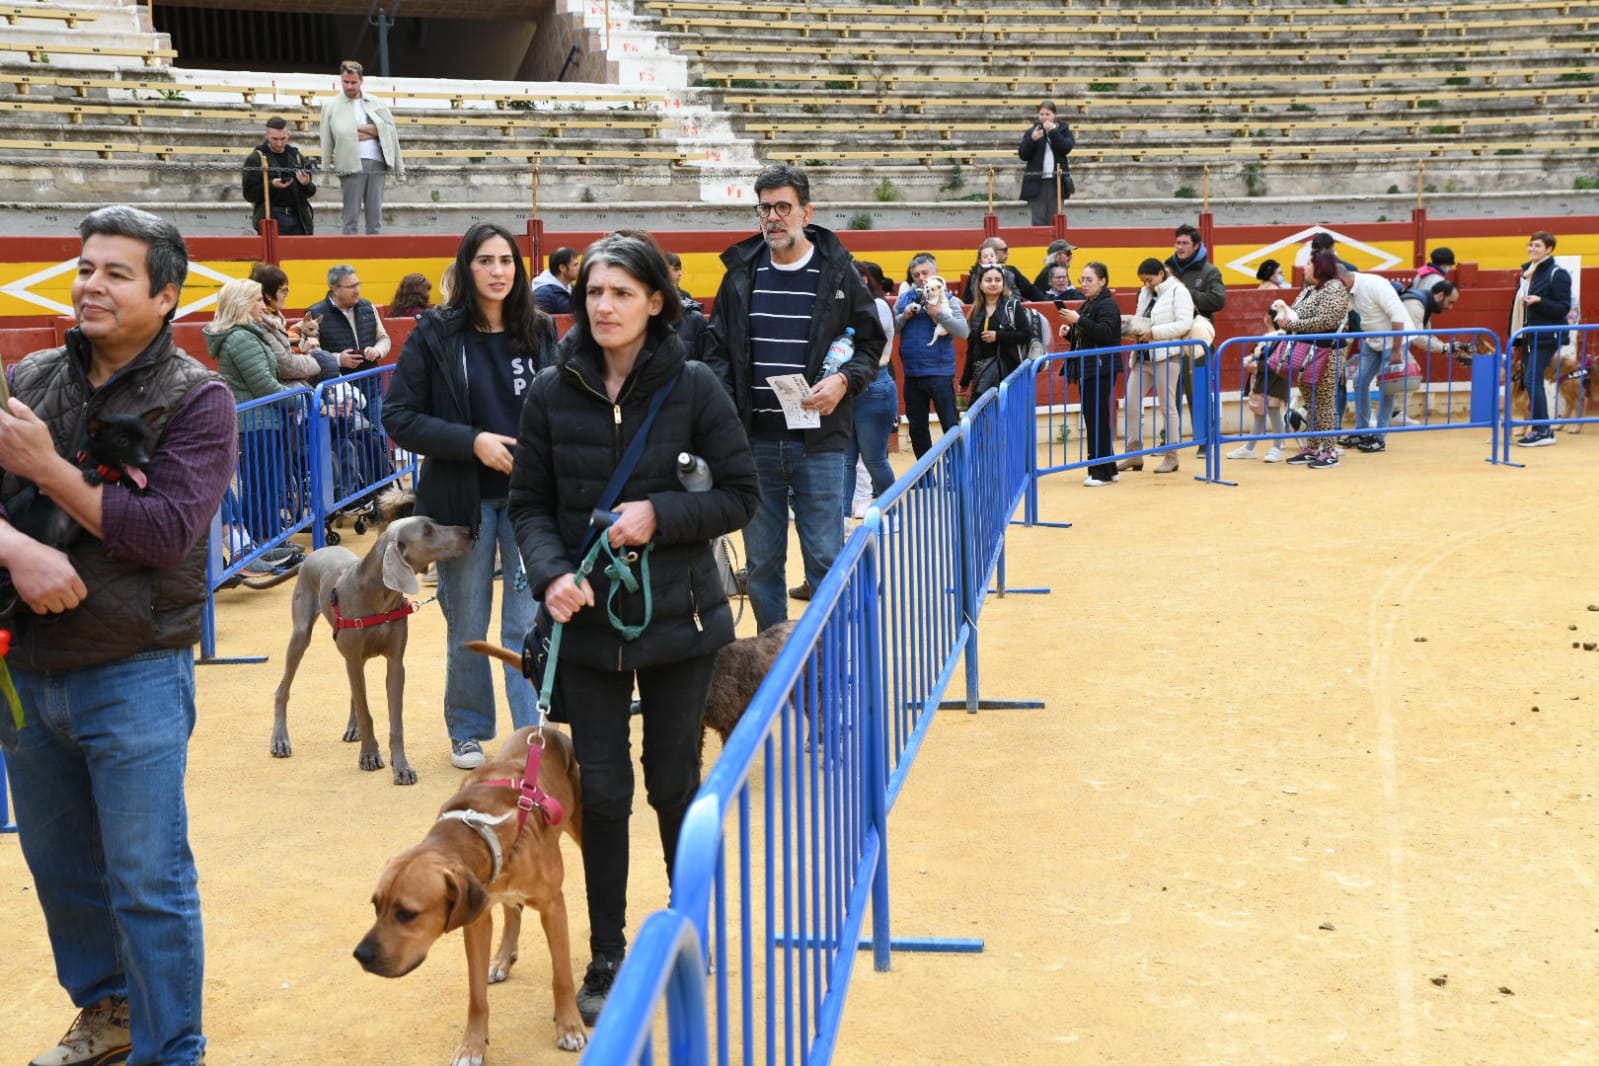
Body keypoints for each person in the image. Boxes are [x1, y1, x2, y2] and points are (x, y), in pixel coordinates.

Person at [0, 205, 236, 1066]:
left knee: (148, 882)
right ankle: (107, 1017)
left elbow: (164, 532)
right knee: (63, 877)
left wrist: (46, 472)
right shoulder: (27, 378)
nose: (90, 285)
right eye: (85, 267)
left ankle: (171, 1050)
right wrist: (17, 546)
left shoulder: (200, 399)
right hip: (25, 666)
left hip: (134, 668)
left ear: (166, 296)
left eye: (115, 273)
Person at [507, 234, 759, 1028]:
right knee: (605, 793)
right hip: (588, 630)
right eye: (594, 293)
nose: (605, 306)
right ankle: (608, 951)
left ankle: (690, 925)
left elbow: (741, 495)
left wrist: (662, 515)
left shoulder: (695, 386)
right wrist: (552, 576)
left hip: (681, 625)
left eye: (622, 292)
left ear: (656, 300)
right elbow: (528, 505)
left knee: (675, 782)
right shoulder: (550, 390)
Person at [383, 222, 558, 767]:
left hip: (530, 499)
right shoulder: (435, 331)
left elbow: (564, 406)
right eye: (485, 261)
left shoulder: (541, 328)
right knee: (468, 623)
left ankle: (531, 735)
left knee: (525, 623)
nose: (498, 271)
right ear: (466, 267)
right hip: (461, 504)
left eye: (506, 260)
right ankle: (467, 729)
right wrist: (473, 441)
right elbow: (399, 417)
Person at [701, 163, 885, 628]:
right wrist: (724, 422)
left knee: (824, 558)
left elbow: (869, 344)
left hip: (819, 443)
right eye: (765, 208)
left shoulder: (839, 273)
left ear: (807, 211)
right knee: (762, 565)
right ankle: (773, 662)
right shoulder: (740, 273)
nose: (773, 217)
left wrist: (844, 381)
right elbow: (717, 352)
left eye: (784, 207)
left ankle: (829, 658)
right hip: (754, 443)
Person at [206, 277, 304, 561]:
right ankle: (264, 542)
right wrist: (301, 400)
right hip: (255, 421)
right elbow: (263, 383)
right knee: (262, 484)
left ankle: (269, 540)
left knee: (267, 483)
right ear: (243, 304)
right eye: (258, 300)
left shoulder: (246, 335)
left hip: (262, 419)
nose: (264, 305)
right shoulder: (241, 338)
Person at [1274, 248, 1351, 469]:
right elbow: (1298, 312)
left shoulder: (1334, 288)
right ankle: (1313, 446)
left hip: (1327, 351)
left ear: (1320, 267)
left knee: (1324, 400)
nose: (1305, 267)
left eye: (1309, 264)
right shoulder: (1311, 289)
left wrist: (1293, 325)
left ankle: (1328, 451)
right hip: (1309, 349)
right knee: (1311, 399)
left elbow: (1326, 321)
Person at [1119, 258, 1195, 475]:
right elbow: (1142, 318)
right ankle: (1133, 454)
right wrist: (1131, 329)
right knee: (1131, 403)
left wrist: (1155, 333)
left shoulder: (1178, 292)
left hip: (1166, 356)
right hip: (1143, 356)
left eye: (1149, 280)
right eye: (1144, 281)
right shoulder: (1145, 293)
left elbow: (1184, 323)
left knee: (1167, 406)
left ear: (1162, 274)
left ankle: (1172, 457)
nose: (1147, 284)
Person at [895, 252, 970, 459]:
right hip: (912, 373)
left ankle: (956, 473)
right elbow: (890, 328)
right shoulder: (904, 299)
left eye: (925, 272)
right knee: (917, 428)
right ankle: (925, 479)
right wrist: (905, 316)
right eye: (916, 274)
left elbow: (963, 331)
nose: (921, 277)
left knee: (949, 423)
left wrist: (939, 313)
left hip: (939, 372)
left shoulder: (949, 299)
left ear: (935, 273)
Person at [1056, 260, 1123, 486]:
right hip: (1094, 366)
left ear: (1102, 281)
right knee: (1096, 417)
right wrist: (1070, 331)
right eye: (1082, 280)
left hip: (1100, 366)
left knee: (1095, 417)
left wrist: (1078, 321)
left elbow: (1105, 333)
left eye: (1089, 280)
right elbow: (1090, 335)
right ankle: (1108, 468)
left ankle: (1100, 472)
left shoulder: (1107, 305)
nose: (1084, 284)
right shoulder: (1091, 304)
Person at [319, 59, 403, 235]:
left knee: (375, 219)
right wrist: (373, 130)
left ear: (361, 81)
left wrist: (355, 129)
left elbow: (389, 132)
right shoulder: (331, 106)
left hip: (377, 162)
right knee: (350, 219)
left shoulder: (377, 103)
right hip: (349, 164)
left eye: (353, 82)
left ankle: (374, 256)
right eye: (346, 82)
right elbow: (330, 138)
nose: (349, 86)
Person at [1335, 263, 1410, 453]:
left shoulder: (1373, 285)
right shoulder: (1350, 289)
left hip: (1393, 340)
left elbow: (1398, 315)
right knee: (1360, 381)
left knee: (1387, 387)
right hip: (1373, 338)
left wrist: (1396, 349)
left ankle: (1379, 437)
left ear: (1342, 282)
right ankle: (1362, 431)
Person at [1510, 230, 1573, 448]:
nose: (1532, 249)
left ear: (1548, 249)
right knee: (1531, 381)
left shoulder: (1557, 273)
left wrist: (1539, 301)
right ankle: (1541, 428)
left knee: (1531, 380)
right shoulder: (1530, 272)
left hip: (1547, 336)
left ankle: (1543, 429)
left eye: (1537, 246)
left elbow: (1563, 307)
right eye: (1530, 245)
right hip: (1530, 335)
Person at [846, 260, 898, 520]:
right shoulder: (853, 305)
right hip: (851, 386)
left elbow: (863, 346)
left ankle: (892, 513)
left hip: (872, 383)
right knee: (847, 460)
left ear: (863, 280)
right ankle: (843, 518)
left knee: (874, 459)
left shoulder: (876, 305)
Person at [1166, 223, 1227, 445]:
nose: (1180, 247)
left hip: (1197, 336)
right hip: (1171, 337)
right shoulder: (1167, 269)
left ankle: (1204, 439)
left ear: (1196, 245)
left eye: (1185, 243)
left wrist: (1184, 295)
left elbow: (1219, 300)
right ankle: (1170, 440)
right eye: (1178, 243)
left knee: (1197, 390)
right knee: (1169, 391)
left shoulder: (1209, 271)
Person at [249, 261, 328, 383]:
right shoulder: (262, 324)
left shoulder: (273, 320)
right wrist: (319, 362)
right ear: (269, 294)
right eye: (283, 291)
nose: (286, 295)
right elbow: (286, 366)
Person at [961, 263, 1029, 400]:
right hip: (982, 372)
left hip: (1009, 371)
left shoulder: (1012, 306)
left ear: (1004, 283)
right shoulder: (975, 311)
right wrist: (965, 379)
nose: (993, 283)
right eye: (988, 280)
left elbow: (1025, 334)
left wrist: (998, 336)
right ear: (980, 284)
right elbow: (972, 348)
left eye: (998, 280)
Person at [306, 264, 391, 373]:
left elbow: (383, 339)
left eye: (358, 285)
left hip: (370, 380)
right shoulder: (314, 314)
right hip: (337, 383)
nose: (357, 291)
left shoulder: (368, 307)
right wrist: (338, 359)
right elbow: (310, 353)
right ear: (336, 289)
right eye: (351, 287)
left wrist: (377, 350)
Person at [242, 115, 315, 235]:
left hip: (299, 218)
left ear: (288, 136)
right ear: (266, 136)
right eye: (275, 139)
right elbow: (249, 195)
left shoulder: (296, 156)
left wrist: (306, 184)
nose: (280, 143)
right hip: (272, 217)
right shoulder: (256, 158)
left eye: (283, 139)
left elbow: (311, 191)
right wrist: (271, 185)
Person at [1018, 99, 1074, 226]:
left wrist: (1054, 132)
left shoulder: (1063, 130)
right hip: (1037, 182)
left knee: (1055, 220)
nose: (1044, 117)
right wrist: (1032, 140)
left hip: (1057, 181)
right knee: (1038, 220)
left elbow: (1066, 148)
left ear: (1054, 115)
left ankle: (1055, 246)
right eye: (1042, 114)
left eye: (1047, 114)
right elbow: (1023, 154)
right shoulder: (1032, 132)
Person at [532, 245, 579, 315]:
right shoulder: (543, 294)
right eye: (575, 265)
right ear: (562, 268)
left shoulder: (570, 286)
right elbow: (540, 323)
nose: (579, 268)